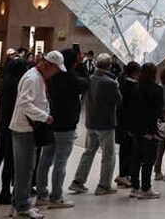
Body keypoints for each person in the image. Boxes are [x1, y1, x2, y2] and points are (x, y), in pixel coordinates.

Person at [9, 50, 64, 219]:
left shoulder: (38, 77)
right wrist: (44, 116)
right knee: (25, 169)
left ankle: (18, 203)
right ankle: (23, 207)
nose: (55, 74)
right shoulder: (32, 78)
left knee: (25, 168)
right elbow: (25, 103)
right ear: (47, 65)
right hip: (24, 129)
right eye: (55, 69)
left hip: (28, 128)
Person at [35, 49, 87, 209]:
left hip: (51, 122)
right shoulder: (71, 78)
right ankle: (56, 196)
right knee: (60, 161)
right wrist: (81, 66)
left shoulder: (52, 78)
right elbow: (85, 83)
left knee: (45, 159)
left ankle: (41, 194)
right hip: (67, 125)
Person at [70, 54, 121, 196]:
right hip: (105, 122)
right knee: (108, 155)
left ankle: (78, 181)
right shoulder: (110, 82)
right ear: (109, 65)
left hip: (91, 121)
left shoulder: (90, 79)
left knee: (89, 152)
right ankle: (104, 185)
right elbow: (119, 100)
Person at [0, 58, 28, 204]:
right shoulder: (18, 85)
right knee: (9, 160)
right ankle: (6, 192)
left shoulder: (3, 82)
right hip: (11, 125)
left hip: (1, 123)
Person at [125, 63, 163, 199]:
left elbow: (130, 109)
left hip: (136, 128)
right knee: (148, 159)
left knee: (136, 157)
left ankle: (135, 186)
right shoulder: (156, 90)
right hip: (149, 129)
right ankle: (146, 188)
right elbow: (157, 111)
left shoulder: (135, 88)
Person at [114, 61, 139, 188]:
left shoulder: (121, 83)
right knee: (130, 150)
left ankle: (123, 173)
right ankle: (125, 174)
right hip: (130, 123)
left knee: (124, 149)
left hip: (121, 121)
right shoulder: (133, 86)